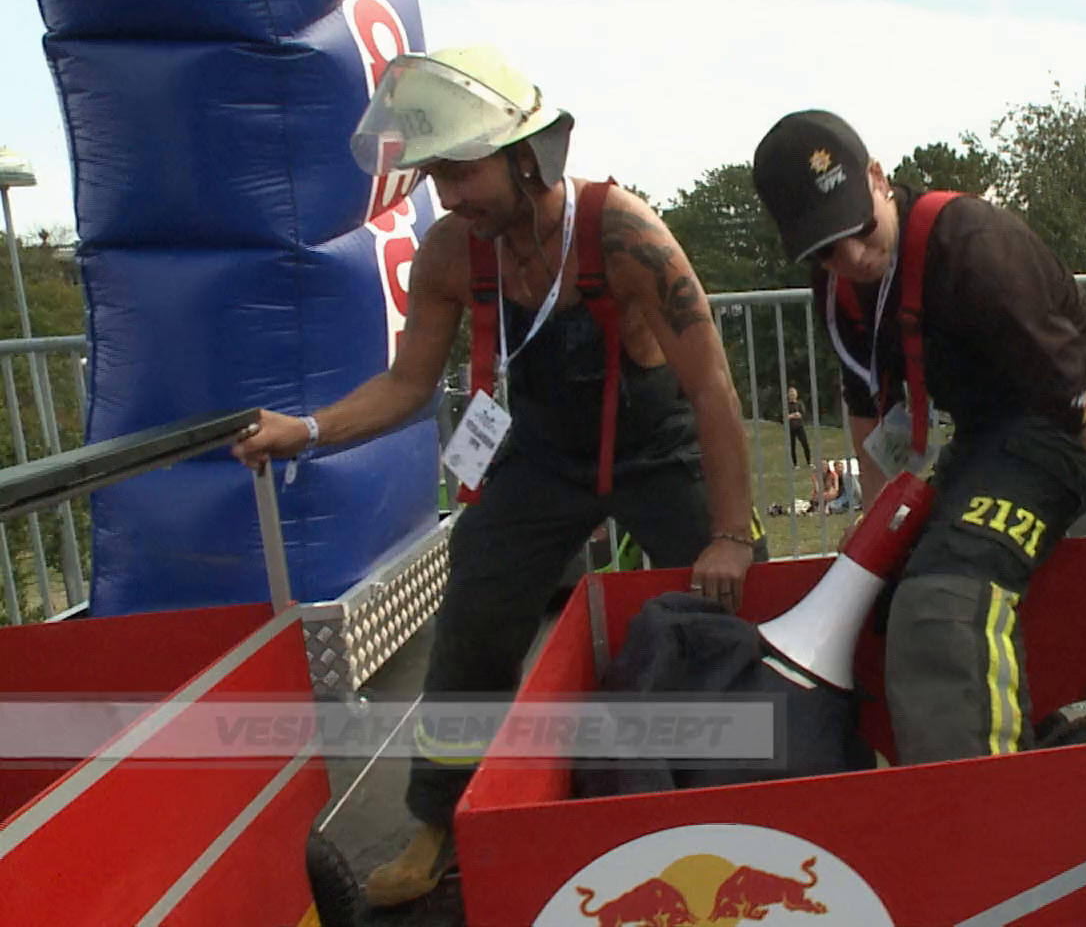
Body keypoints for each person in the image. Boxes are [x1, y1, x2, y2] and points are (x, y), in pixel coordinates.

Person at [230, 44, 766, 907]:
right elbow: (409, 385)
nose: (449, 195)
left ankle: (766, 783)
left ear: (527, 156)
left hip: (656, 447)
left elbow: (711, 387)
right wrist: (310, 429)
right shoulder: (451, 252)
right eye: (436, 174)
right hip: (544, 456)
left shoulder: (624, 234)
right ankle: (439, 818)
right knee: (474, 608)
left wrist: (731, 534)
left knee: (735, 596)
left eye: (461, 171)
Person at [750, 109, 1086, 764]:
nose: (854, 256)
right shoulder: (840, 290)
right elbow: (870, 408)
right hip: (989, 432)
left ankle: (985, 795)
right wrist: (876, 532)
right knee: (889, 595)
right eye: (828, 249)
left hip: (1077, 416)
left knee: (942, 600)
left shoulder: (974, 250)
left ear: (878, 178)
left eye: (861, 228)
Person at [787, 385, 812, 466]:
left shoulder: (799, 403)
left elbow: (803, 414)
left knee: (805, 444)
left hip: (799, 427)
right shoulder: (786, 405)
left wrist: (793, 415)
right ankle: (795, 464)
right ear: (788, 395)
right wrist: (793, 415)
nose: (792, 395)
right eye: (791, 394)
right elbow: (783, 416)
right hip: (790, 428)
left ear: (796, 394)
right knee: (793, 446)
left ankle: (809, 462)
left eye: (794, 394)